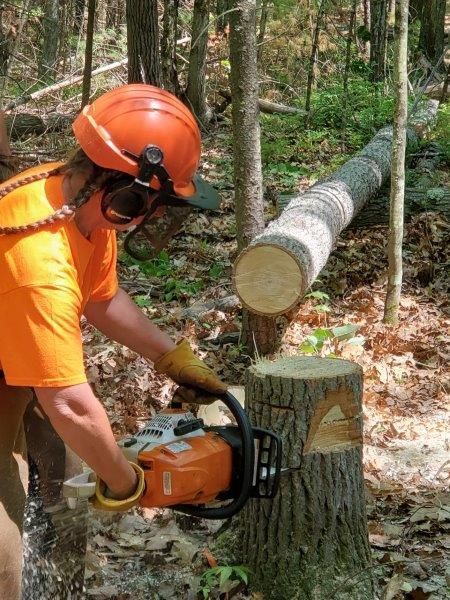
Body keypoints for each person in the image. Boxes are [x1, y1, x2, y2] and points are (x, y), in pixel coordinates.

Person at [0, 84, 227, 599]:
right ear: (124, 191)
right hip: (12, 349)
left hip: (15, 346)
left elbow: (101, 298)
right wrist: (127, 482)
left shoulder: (80, 202)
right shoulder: (39, 261)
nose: (149, 218)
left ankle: (59, 591)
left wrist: (171, 355)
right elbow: (71, 404)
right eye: (148, 204)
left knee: (69, 474)